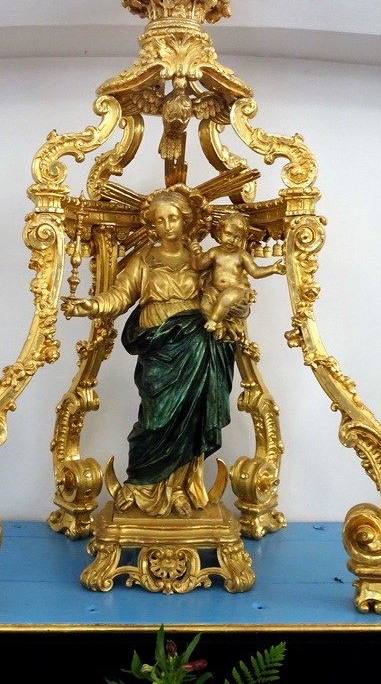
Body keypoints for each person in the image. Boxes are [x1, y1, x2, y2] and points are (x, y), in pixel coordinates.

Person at [64, 186, 235, 517]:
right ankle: (142, 486)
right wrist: (90, 305)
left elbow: (224, 294)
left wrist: (233, 303)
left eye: (173, 218)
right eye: (160, 220)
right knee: (155, 419)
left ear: (186, 221)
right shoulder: (144, 261)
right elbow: (118, 296)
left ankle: (182, 489)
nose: (168, 225)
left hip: (195, 348)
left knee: (189, 419)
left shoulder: (203, 260)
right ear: (152, 226)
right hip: (157, 349)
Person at [191, 212, 285, 336]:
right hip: (215, 290)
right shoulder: (214, 252)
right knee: (204, 305)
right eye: (228, 234)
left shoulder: (242, 255)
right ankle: (219, 325)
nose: (231, 239)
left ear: (242, 238)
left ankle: (214, 321)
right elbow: (199, 266)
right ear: (220, 232)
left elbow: (255, 272)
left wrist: (272, 269)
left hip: (236, 291)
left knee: (226, 298)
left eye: (237, 237)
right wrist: (195, 254)